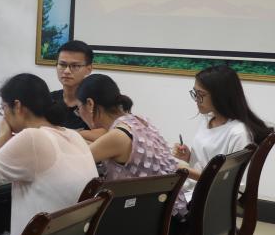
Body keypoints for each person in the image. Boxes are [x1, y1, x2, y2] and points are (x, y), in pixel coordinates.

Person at [0, 73, 97, 235]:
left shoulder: (32, 137)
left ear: (17, 106)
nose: (3, 115)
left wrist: (3, 136)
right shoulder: (73, 135)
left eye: (3, 108)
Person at [77, 74, 183, 210]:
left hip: (139, 214)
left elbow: (75, 163)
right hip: (167, 210)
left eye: (78, 109)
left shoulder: (117, 136)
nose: (79, 114)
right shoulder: (139, 121)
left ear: (90, 104)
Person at [173, 65, 272, 198]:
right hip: (192, 190)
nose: (196, 99)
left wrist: (186, 171)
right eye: (195, 93)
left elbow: (232, 185)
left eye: (201, 95)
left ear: (220, 96)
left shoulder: (238, 133)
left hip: (210, 199)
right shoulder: (207, 120)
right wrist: (189, 157)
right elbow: (206, 163)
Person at [51, 40, 105, 140]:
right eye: (62, 65)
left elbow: (109, 134)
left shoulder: (96, 103)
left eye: (75, 66)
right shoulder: (48, 99)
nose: (67, 71)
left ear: (89, 69)